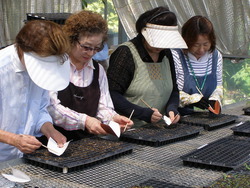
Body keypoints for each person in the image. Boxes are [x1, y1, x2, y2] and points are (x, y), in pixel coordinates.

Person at [47, 10, 133, 141]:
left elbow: (103, 106)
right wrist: (84, 121)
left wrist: (113, 118)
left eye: (97, 48)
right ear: (71, 40)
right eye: (86, 47)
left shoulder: (98, 70)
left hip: (87, 142)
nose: (91, 53)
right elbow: (51, 108)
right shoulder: (54, 66)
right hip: (54, 142)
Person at [0, 20, 70, 162]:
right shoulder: (2, 69)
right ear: (23, 49)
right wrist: (13, 139)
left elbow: (39, 109)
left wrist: (50, 131)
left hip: (20, 160)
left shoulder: (44, 73)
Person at [107, 6, 187, 127]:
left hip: (158, 128)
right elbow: (112, 94)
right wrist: (142, 113)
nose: (160, 46)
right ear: (143, 33)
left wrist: (172, 108)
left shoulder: (167, 54)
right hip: (129, 129)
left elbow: (174, 90)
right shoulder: (125, 53)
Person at [172, 16, 223, 115]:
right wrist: (192, 99)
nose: (201, 50)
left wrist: (215, 99)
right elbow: (171, 92)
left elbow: (219, 86)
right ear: (186, 41)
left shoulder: (216, 56)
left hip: (208, 116)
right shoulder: (176, 56)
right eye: (196, 45)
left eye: (205, 44)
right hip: (181, 115)